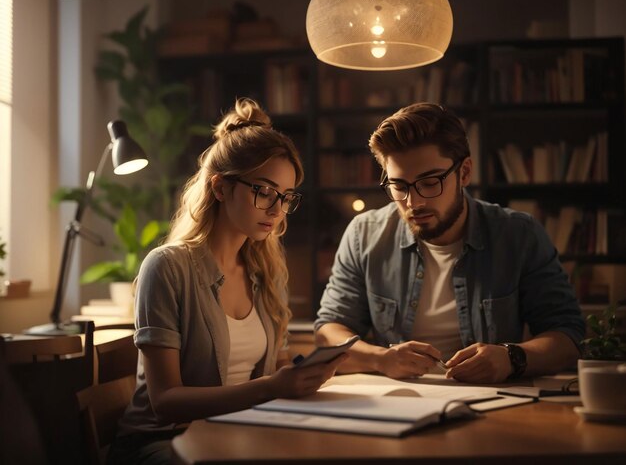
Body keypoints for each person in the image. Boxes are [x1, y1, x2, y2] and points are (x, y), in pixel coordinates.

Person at [108, 98, 345, 464]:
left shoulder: (266, 272)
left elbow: (277, 367)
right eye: (264, 191)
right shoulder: (168, 268)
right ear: (220, 187)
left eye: (285, 198)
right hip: (164, 443)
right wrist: (270, 388)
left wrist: (303, 372)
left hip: (239, 433)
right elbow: (165, 401)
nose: (276, 210)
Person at [315, 102, 584, 384]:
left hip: (492, 403)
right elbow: (328, 331)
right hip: (398, 402)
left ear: (464, 172)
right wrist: (380, 359)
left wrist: (511, 358)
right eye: (399, 186)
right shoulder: (364, 235)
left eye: (430, 182)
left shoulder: (518, 234)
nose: (413, 202)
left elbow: (568, 335)